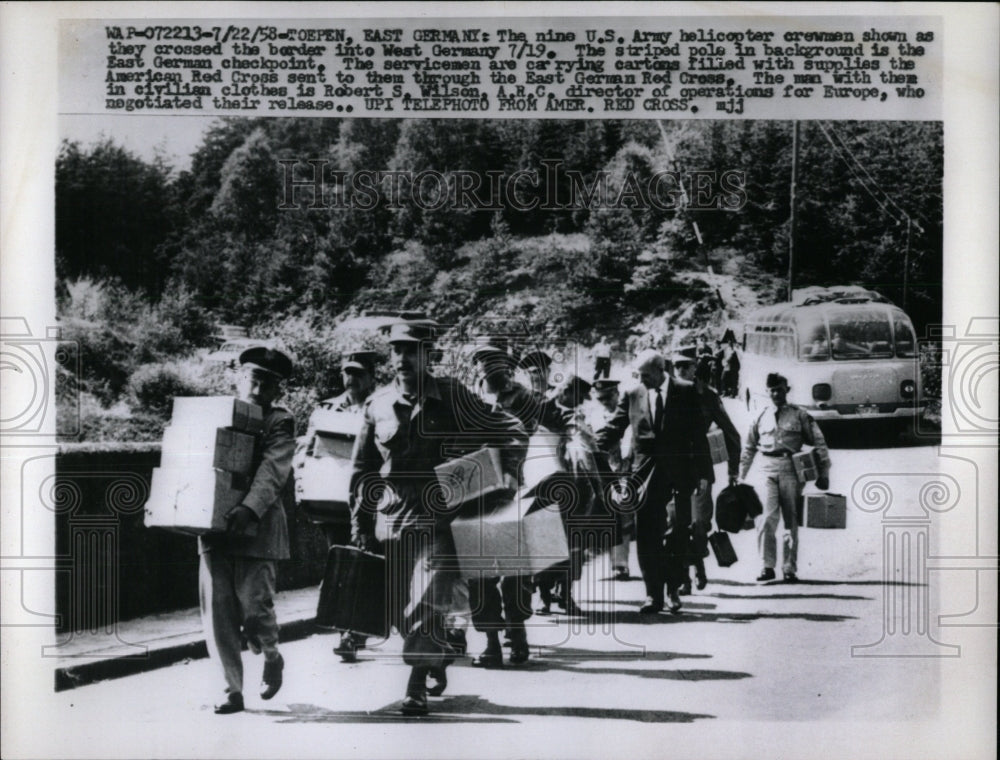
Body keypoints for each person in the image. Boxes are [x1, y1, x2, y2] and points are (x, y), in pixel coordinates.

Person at [349, 320, 528, 715]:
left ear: (428, 355)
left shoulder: (453, 395)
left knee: (426, 601)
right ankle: (438, 650)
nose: (402, 358)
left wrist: (507, 474)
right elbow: (362, 470)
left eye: (411, 351)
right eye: (396, 350)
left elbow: (510, 429)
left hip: (441, 518)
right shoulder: (377, 404)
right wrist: (359, 525)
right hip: (392, 518)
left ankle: (415, 685)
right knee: (399, 609)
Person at [200, 346, 295, 715]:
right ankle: (231, 690)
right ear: (240, 378)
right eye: (253, 379)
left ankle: (271, 655)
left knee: (255, 610)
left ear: (278, 390)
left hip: (259, 530)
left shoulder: (279, 422)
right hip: (213, 527)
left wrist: (249, 508)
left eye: (267, 383)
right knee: (219, 612)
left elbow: (273, 470)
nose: (258, 389)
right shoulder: (217, 415)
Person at [596, 350, 712, 615]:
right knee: (647, 534)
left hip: (679, 474)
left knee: (676, 532)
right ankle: (652, 595)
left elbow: (698, 433)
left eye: (646, 374)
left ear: (661, 370)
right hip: (643, 475)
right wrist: (591, 448)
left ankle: (673, 589)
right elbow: (614, 427)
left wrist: (704, 474)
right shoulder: (633, 394)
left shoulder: (686, 391)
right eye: (639, 375)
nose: (642, 379)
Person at [467, 340, 541, 667]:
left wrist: (508, 467)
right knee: (479, 572)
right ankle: (491, 641)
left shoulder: (523, 398)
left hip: (513, 491)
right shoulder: (467, 398)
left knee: (515, 570)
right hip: (473, 493)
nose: (487, 367)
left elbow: (524, 435)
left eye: (494, 361)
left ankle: (518, 631)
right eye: (482, 361)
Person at [303, 350, 379, 663]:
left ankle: (354, 632)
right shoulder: (326, 409)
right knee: (341, 563)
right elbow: (309, 450)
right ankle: (348, 631)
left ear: (372, 377)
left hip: (367, 501)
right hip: (331, 501)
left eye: (359, 373)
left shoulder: (381, 408)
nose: (351, 379)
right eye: (347, 373)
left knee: (362, 564)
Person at [739, 373, 831, 583]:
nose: (776, 394)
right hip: (766, 468)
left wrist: (824, 472)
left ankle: (789, 568)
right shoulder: (760, 415)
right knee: (765, 518)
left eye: (779, 389)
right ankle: (767, 566)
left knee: (791, 519)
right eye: (772, 390)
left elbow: (819, 442)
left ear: (786, 390)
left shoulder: (800, 415)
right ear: (767, 391)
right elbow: (749, 448)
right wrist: (741, 477)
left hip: (791, 469)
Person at [673, 355, 741, 591]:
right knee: (676, 525)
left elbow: (732, 435)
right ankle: (683, 577)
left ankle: (698, 565)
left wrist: (733, 471)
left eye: (686, 366)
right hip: (673, 470)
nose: (681, 370)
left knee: (699, 525)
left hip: (700, 470)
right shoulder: (667, 393)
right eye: (677, 366)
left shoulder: (708, 396)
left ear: (695, 368)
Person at [585, 379, 632, 581]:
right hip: (601, 472)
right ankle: (594, 555)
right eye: (600, 398)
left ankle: (620, 565)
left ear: (616, 394)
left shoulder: (626, 414)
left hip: (624, 469)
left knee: (623, 516)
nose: (604, 401)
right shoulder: (593, 417)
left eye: (607, 397)